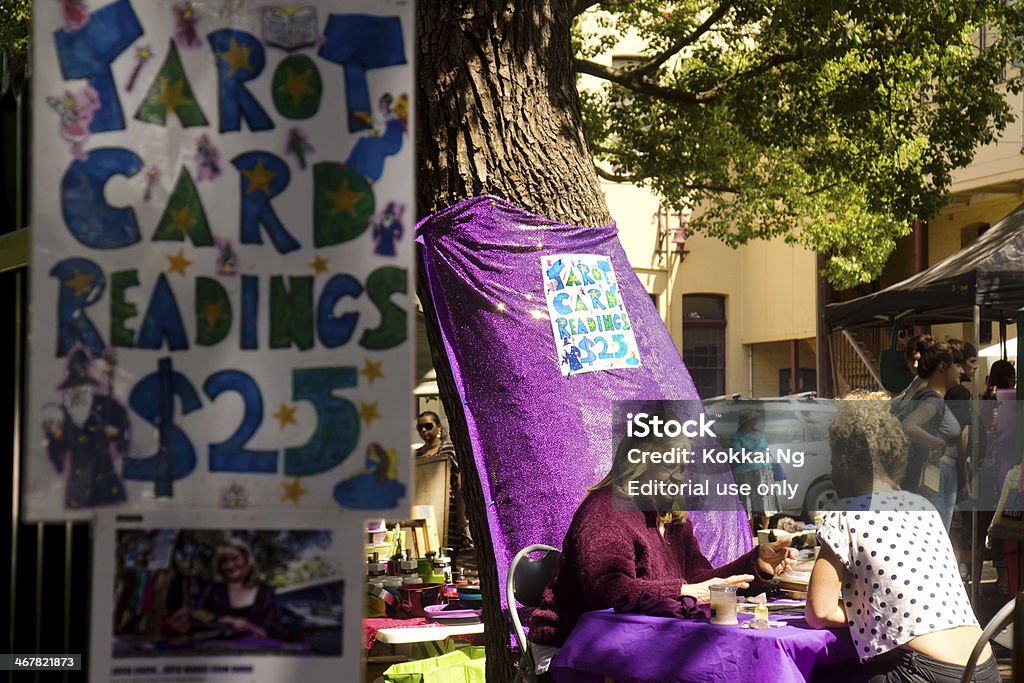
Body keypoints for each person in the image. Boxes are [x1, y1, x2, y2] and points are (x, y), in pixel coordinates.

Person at [528, 430, 798, 677]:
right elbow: (608, 591)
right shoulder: (606, 510)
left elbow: (698, 577)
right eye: (670, 465)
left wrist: (755, 564)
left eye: (683, 467)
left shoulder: (672, 517)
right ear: (639, 463)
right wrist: (683, 591)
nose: (680, 476)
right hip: (572, 649)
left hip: (638, 643)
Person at [806, 395, 997, 683]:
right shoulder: (924, 507)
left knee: (820, 673)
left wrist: (873, 617)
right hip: (982, 666)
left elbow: (818, 611)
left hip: (925, 673)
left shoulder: (845, 514)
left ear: (842, 462)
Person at [168, 538, 290, 640]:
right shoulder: (212, 590)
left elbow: (274, 631)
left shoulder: (265, 592)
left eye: (235, 559)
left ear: (247, 560)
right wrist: (226, 621)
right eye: (224, 562)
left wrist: (249, 627)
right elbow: (197, 619)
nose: (230, 566)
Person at [896, 339, 962, 530]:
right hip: (933, 477)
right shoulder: (932, 399)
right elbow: (909, 426)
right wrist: (938, 443)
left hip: (936, 477)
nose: (961, 371)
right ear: (943, 367)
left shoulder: (923, 394)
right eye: (956, 365)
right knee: (936, 534)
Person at [980, 358, 1016, 594]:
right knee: (1010, 522)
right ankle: (1009, 578)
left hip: (987, 468)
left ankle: (1002, 576)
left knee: (994, 523)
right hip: (1007, 467)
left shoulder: (985, 400)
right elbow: (1008, 434)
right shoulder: (1011, 399)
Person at [415, 411, 472, 551]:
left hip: (448, 514)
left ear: (439, 427)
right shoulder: (416, 455)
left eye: (428, 426)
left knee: (448, 557)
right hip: (423, 514)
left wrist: (461, 516)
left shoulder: (449, 450)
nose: (424, 430)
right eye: (420, 427)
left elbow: (459, 485)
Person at [729, 409, 779, 530]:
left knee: (765, 500)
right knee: (748, 502)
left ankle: (765, 530)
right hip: (746, 473)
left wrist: (756, 455)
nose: (756, 420)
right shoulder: (737, 436)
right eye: (754, 418)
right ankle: (749, 532)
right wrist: (757, 455)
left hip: (764, 471)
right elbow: (739, 453)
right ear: (748, 421)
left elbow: (766, 450)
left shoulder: (760, 434)